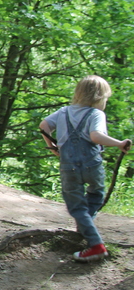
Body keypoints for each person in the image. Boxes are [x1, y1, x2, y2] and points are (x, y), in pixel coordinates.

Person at [39, 75, 131, 263]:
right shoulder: (96, 114)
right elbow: (95, 136)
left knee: (77, 206)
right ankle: (95, 244)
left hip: (68, 165)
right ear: (99, 97)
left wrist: (52, 146)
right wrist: (119, 143)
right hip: (92, 164)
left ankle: (85, 229)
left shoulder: (64, 112)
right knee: (96, 194)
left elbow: (44, 125)